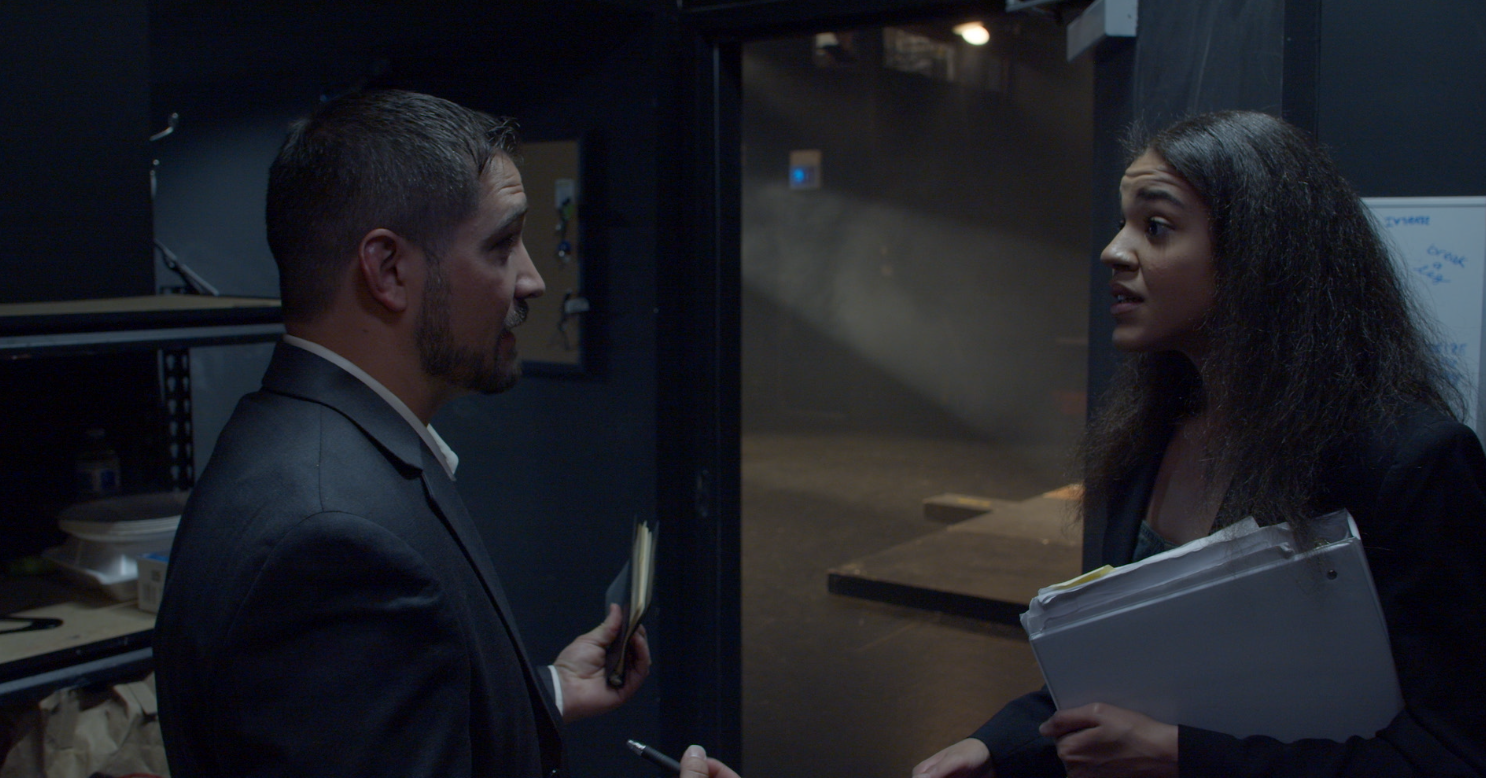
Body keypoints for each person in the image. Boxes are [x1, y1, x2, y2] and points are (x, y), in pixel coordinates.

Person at [913, 110, 1486, 777]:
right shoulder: (1146, 438)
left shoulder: (1409, 463)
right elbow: (1126, 667)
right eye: (1124, 222)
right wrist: (998, 746)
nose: (1114, 250)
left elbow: (1452, 751)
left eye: (1155, 226)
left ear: (1260, 251)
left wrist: (1184, 757)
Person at [153, 89, 650, 777]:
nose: (532, 280)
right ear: (388, 270)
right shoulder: (332, 544)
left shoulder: (303, 444)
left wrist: (549, 690)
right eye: (502, 245)